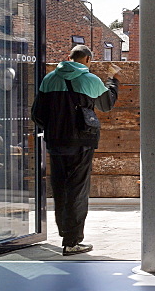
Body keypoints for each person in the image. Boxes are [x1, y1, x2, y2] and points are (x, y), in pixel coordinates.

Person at [31, 45, 119, 255]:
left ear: (68, 58)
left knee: (60, 188)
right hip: (81, 142)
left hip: (55, 141)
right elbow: (107, 104)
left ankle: (65, 234)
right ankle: (72, 241)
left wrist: (54, 128)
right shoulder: (90, 79)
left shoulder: (49, 79)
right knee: (77, 189)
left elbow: (37, 114)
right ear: (87, 59)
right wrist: (112, 81)